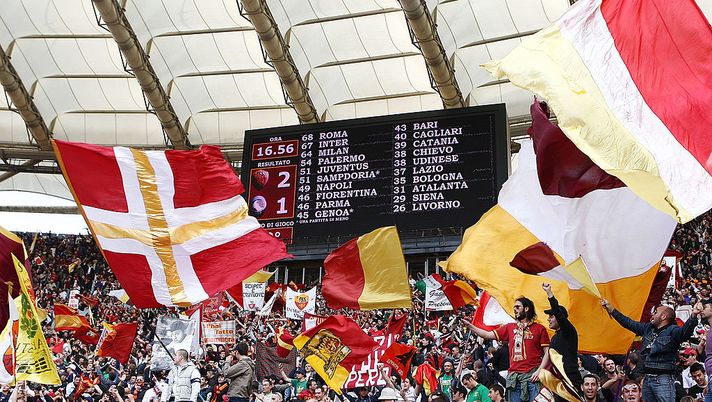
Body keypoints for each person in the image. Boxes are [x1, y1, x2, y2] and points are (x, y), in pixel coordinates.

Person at [600, 299, 702, 402]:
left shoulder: (673, 331)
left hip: (663, 379)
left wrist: (693, 315)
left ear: (663, 317)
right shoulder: (648, 328)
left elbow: (685, 332)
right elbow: (629, 323)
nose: (652, 315)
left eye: (656, 312)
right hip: (647, 378)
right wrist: (612, 310)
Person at [464, 297, 550, 402]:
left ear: (527, 309)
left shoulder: (540, 328)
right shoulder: (509, 327)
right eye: (514, 307)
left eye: (518, 307)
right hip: (514, 379)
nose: (515, 309)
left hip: (532, 377)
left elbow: (547, 352)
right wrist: (471, 327)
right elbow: (487, 334)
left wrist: (539, 370)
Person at [541, 283, 582, 401]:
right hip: (558, 381)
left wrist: (549, 293)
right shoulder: (554, 337)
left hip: (570, 379)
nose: (548, 319)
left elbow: (558, 314)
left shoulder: (568, 331)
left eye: (551, 316)